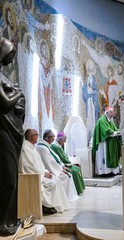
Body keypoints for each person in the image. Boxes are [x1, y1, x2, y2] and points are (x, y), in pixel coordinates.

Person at [0, 37, 25, 236]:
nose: (12, 59)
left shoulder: (2, 75)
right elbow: (5, 103)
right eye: (11, 55)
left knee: (12, 177)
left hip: (11, 132)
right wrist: (18, 93)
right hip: (2, 133)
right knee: (8, 179)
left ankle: (9, 220)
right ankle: (3, 223)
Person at [19, 129, 70, 214]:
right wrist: (43, 174)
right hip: (33, 177)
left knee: (56, 180)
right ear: (32, 137)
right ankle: (47, 206)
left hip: (40, 174)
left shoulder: (32, 147)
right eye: (36, 135)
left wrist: (45, 171)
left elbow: (39, 164)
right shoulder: (25, 148)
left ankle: (55, 205)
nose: (38, 137)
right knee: (52, 183)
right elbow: (27, 167)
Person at [37, 129, 79, 202]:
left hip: (54, 169)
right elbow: (50, 162)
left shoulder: (46, 146)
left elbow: (56, 158)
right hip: (50, 170)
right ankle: (65, 198)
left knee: (68, 174)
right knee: (66, 176)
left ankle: (67, 197)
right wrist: (61, 170)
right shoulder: (42, 148)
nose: (54, 138)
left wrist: (62, 167)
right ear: (48, 137)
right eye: (53, 136)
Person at [92, 106, 122, 176]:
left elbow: (114, 129)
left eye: (113, 113)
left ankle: (112, 171)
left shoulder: (109, 121)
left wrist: (118, 132)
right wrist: (113, 132)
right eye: (111, 113)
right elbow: (106, 131)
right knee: (104, 157)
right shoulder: (102, 120)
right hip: (103, 143)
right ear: (107, 112)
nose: (112, 114)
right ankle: (104, 172)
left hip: (109, 142)